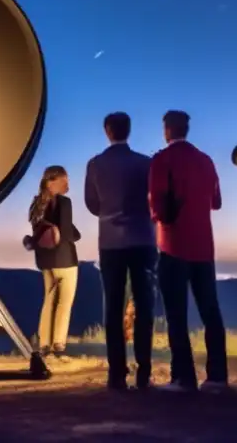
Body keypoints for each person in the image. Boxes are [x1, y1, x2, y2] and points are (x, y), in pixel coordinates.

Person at [148, 110, 228, 392]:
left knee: (176, 314)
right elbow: (216, 202)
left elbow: (156, 206)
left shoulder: (161, 160)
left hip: (173, 246)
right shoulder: (205, 160)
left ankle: (183, 377)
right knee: (210, 311)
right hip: (204, 247)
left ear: (167, 129)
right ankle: (217, 376)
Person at [84, 112, 157, 391]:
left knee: (113, 307)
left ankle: (116, 374)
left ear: (107, 131)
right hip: (142, 240)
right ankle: (144, 370)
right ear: (129, 130)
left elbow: (92, 203)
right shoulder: (145, 163)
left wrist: (109, 212)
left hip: (111, 242)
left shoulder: (95, 164)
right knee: (144, 305)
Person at [26, 165, 80, 360]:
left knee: (48, 301)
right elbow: (66, 232)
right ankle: (59, 347)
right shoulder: (65, 203)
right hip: (65, 259)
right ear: (52, 181)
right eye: (64, 180)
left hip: (45, 261)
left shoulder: (36, 204)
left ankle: (44, 346)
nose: (67, 184)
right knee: (64, 304)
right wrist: (76, 235)